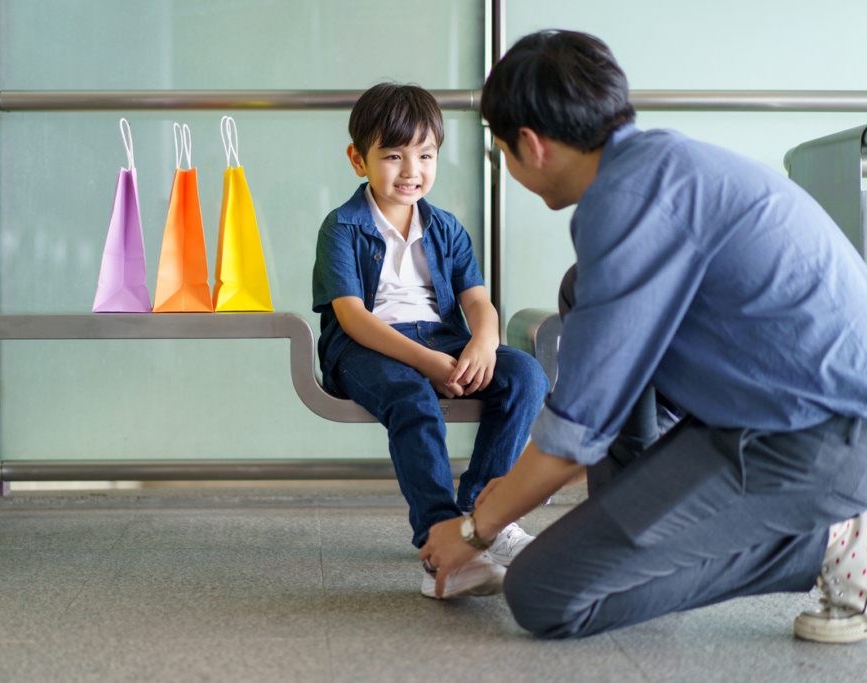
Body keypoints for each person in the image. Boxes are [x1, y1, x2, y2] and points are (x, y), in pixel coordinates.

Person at [419, 29, 867, 643]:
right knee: (581, 288)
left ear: (530, 144)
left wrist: (476, 527)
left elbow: (577, 429)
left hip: (821, 438)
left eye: (500, 151)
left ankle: (832, 544)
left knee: (543, 592)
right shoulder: (655, 166)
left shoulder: (628, 203)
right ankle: (641, 516)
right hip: (770, 411)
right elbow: (607, 390)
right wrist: (536, 480)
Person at [312, 83, 549, 598]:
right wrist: (429, 363)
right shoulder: (342, 228)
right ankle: (441, 542)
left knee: (526, 374)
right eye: (393, 156)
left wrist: (482, 344)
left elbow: (479, 304)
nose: (411, 171)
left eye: (425, 155)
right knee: (411, 397)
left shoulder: (446, 228)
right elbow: (351, 317)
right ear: (359, 160)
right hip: (365, 348)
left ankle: (486, 517)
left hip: (442, 339)